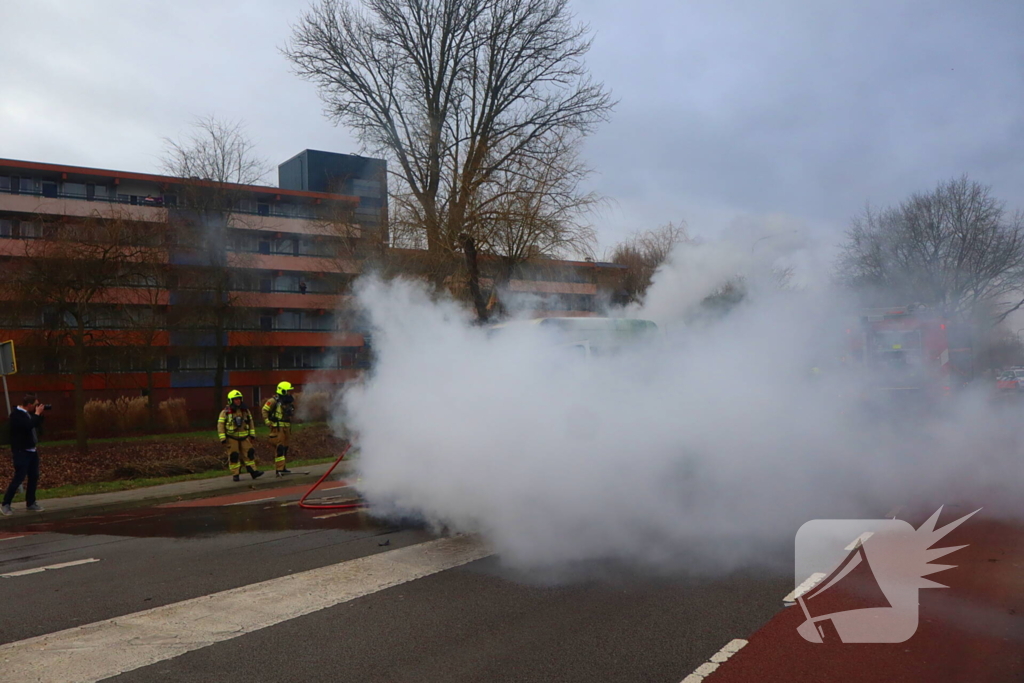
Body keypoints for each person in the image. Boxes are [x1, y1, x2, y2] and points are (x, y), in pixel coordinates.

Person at [2, 394, 46, 515]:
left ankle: (31, 502)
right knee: (19, 477)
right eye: (35, 405)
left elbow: (36, 424)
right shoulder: (16, 415)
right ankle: (6, 503)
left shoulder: (29, 414)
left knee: (34, 476)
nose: (37, 407)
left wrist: (39, 415)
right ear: (29, 405)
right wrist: (37, 414)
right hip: (21, 451)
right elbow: (28, 426)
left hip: (32, 450)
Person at [218, 390, 264, 482]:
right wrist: (222, 438)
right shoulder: (225, 412)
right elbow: (220, 425)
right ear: (231, 400)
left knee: (249, 454)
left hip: (245, 437)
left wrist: (252, 434)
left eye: (239, 399)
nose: (238, 401)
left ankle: (253, 472)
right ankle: (236, 474)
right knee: (234, 456)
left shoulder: (245, 410)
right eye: (235, 399)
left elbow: (250, 422)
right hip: (232, 437)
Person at [262, 381, 295, 476]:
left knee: (285, 448)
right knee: (280, 448)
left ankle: (283, 468)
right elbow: (264, 410)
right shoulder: (273, 401)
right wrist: (268, 422)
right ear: (282, 391)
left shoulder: (288, 402)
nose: (289, 393)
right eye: (287, 391)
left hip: (286, 427)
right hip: (278, 428)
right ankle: (279, 469)